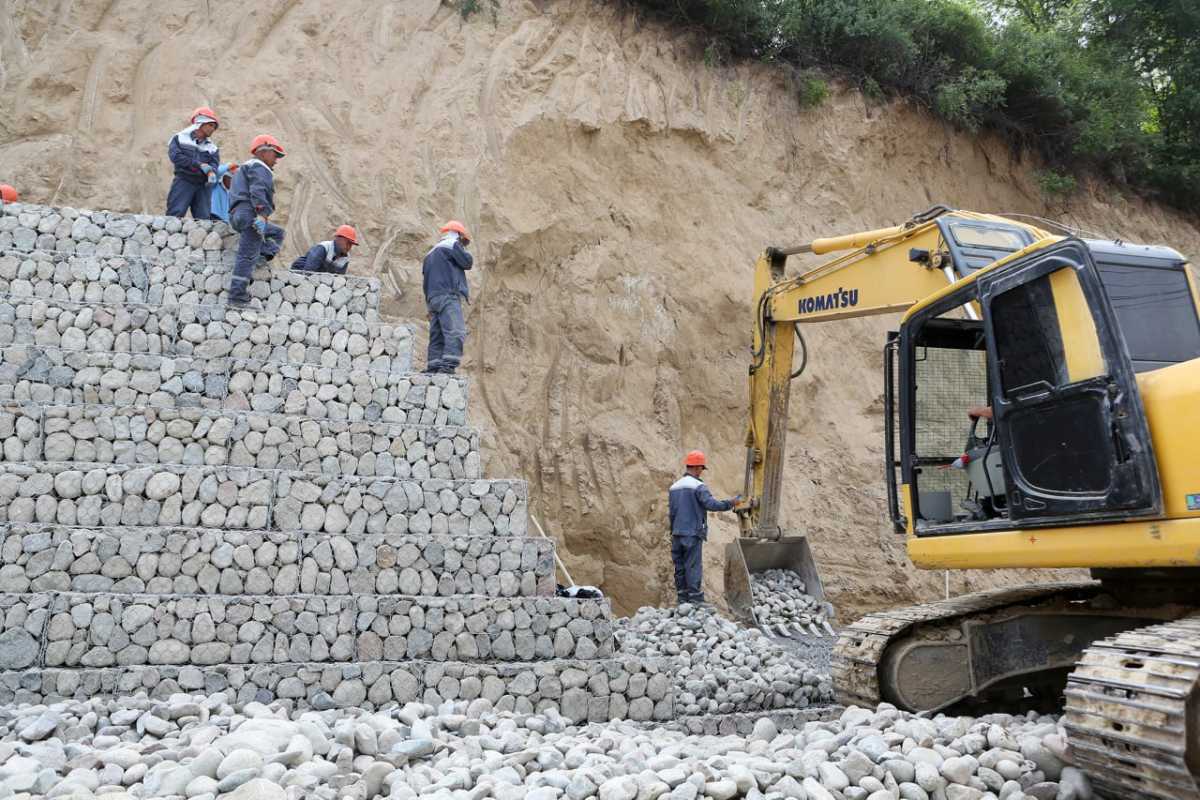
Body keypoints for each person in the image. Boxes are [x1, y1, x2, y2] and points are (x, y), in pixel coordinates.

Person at [667, 450, 741, 607]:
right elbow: (711, 504)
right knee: (692, 565)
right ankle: (695, 599)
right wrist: (731, 503)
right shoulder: (698, 486)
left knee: (679, 566)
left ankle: (682, 599)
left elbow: (672, 512)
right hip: (692, 533)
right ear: (698, 467)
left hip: (677, 533)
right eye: (701, 468)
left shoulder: (674, 487)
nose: (702, 472)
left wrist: (673, 531)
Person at [226, 135, 287, 306]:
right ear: (264, 151)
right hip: (250, 213)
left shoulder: (243, 168)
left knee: (277, 233)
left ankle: (261, 255)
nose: (276, 160)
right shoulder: (260, 168)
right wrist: (261, 213)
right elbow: (258, 190)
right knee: (246, 256)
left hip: (237, 214)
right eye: (275, 155)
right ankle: (237, 296)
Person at [421, 220, 473, 374]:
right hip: (448, 294)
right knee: (455, 330)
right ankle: (449, 364)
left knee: (437, 333)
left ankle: (434, 365)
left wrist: (429, 304)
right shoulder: (452, 244)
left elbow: (425, 279)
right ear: (459, 235)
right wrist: (463, 250)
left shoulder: (430, 253)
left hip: (432, 298)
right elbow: (468, 262)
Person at [166, 106, 221, 219]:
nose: (212, 129)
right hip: (184, 181)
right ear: (200, 123)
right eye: (210, 125)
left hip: (203, 185)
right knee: (175, 215)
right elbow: (176, 157)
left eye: (214, 127)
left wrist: (212, 173)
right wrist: (199, 165)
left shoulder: (212, 148)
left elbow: (215, 164)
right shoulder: (180, 139)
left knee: (204, 219)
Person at [291, 225, 358, 274]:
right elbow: (308, 272)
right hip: (298, 274)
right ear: (339, 239)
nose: (349, 247)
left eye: (351, 244)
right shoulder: (323, 248)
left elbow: (339, 280)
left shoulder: (345, 259)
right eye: (348, 243)